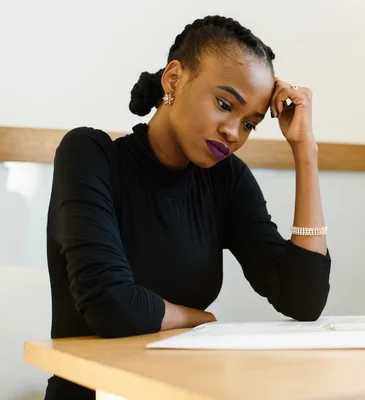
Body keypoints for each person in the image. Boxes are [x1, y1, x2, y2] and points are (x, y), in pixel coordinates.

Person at [44, 15, 331, 400]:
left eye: (250, 124)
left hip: (187, 390)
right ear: (174, 79)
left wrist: (305, 151)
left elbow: (302, 299)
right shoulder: (89, 155)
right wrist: (197, 318)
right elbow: (108, 303)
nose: (233, 132)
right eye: (224, 103)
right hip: (95, 392)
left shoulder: (226, 179)